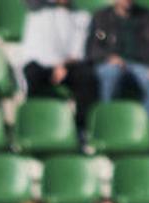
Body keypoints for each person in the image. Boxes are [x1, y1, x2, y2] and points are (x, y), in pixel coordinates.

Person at [87, 0, 149, 120]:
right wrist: (108, 57)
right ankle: (107, 119)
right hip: (110, 63)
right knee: (111, 72)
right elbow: (93, 47)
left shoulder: (145, 16)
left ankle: (141, 123)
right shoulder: (101, 16)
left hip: (140, 64)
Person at [20, 0, 97, 132]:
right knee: (32, 74)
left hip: (66, 66)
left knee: (86, 76)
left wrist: (63, 66)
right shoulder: (37, 8)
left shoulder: (82, 17)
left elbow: (78, 52)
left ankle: (82, 128)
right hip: (38, 65)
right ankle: (34, 125)